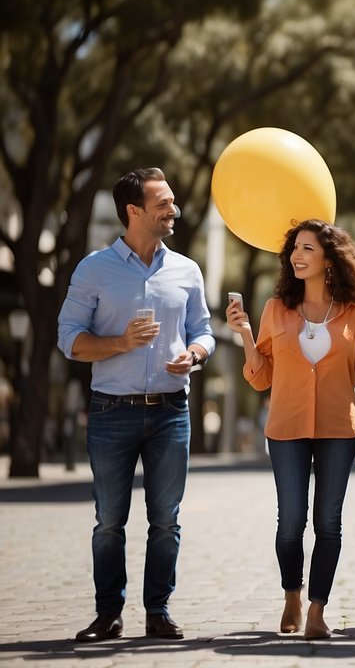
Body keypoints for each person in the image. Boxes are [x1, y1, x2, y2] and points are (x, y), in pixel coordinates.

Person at [226, 219, 355, 640]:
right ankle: (292, 592)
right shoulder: (276, 309)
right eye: (295, 248)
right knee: (290, 521)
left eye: (308, 248)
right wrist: (246, 335)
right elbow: (260, 377)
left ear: (329, 259)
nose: (297, 256)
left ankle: (316, 609)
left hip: (336, 428)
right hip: (285, 426)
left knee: (328, 522)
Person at [58, 167, 215, 642]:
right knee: (109, 521)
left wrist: (196, 353)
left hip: (172, 412)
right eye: (163, 203)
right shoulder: (93, 269)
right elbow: (69, 340)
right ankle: (108, 614)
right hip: (112, 411)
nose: (174, 210)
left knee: (166, 519)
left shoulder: (187, 270)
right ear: (134, 211)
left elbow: (203, 329)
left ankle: (158, 611)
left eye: (172, 202)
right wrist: (120, 343)